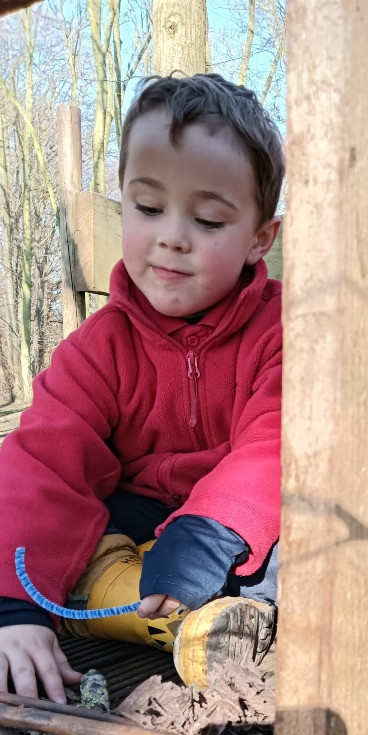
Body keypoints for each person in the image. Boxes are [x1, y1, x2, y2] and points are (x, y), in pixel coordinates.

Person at [0, 73, 284, 702]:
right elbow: (45, 462)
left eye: (209, 219)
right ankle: (196, 624)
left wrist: (213, 528)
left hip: (237, 530)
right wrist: (13, 609)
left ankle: (217, 617)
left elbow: (280, 439)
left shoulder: (286, 328)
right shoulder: (100, 345)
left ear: (259, 238)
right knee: (57, 548)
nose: (172, 236)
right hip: (135, 526)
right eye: (148, 207)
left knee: (305, 548)